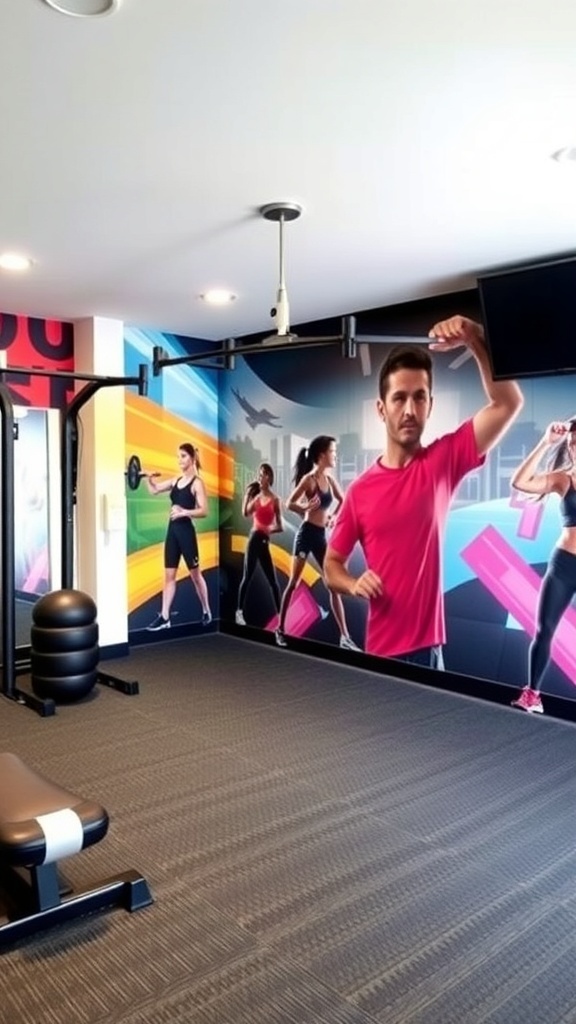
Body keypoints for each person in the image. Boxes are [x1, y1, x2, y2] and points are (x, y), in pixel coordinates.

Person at [324, 314, 523, 667]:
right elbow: (332, 566)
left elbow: (508, 403)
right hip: (381, 653)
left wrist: (474, 339)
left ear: (430, 405)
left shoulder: (442, 461)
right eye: (399, 399)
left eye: (419, 398)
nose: (410, 410)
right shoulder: (359, 492)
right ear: (381, 409)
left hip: (430, 653)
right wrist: (354, 584)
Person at [510, 419, 576, 714]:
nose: (575, 447)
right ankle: (532, 694)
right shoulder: (564, 479)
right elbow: (520, 482)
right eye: (573, 443)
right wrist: (545, 443)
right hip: (564, 563)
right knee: (544, 629)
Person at [275, 435, 360, 651]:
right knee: (294, 582)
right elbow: (289, 503)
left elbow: (344, 500)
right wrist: (304, 508)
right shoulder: (309, 480)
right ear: (322, 455)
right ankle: (280, 630)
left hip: (321, 536)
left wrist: (332, 517)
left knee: (333, 585)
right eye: (332, 452)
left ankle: (344, 637)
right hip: (306, 535)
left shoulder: (330, 481)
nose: (335, 455)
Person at [145, 442, 212, 630]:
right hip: (172, 532)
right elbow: (155, 490)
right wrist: (148, 479)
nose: (179, 460)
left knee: (196, 576)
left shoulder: (197, 483)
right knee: (169, 575)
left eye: (183, 456)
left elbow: (204, 510)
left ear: (192, 458)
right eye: (178, 456)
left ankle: (206, 609)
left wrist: (184, 512)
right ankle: (165, 617)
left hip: (186, 533)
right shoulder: (175, 481)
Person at [235, 463, 283, 626]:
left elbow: (280, 526)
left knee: (273, 582)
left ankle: (281, 618)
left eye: (262, 474)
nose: (259, 477)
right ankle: (239, 613)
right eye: (259, 474)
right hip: (254, 538)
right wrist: (247, 495)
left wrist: (269, 529)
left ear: (268, 477)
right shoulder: (256, 497)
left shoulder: (275, 500)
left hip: (264, 542)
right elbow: (245, 513)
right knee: (247, 576)